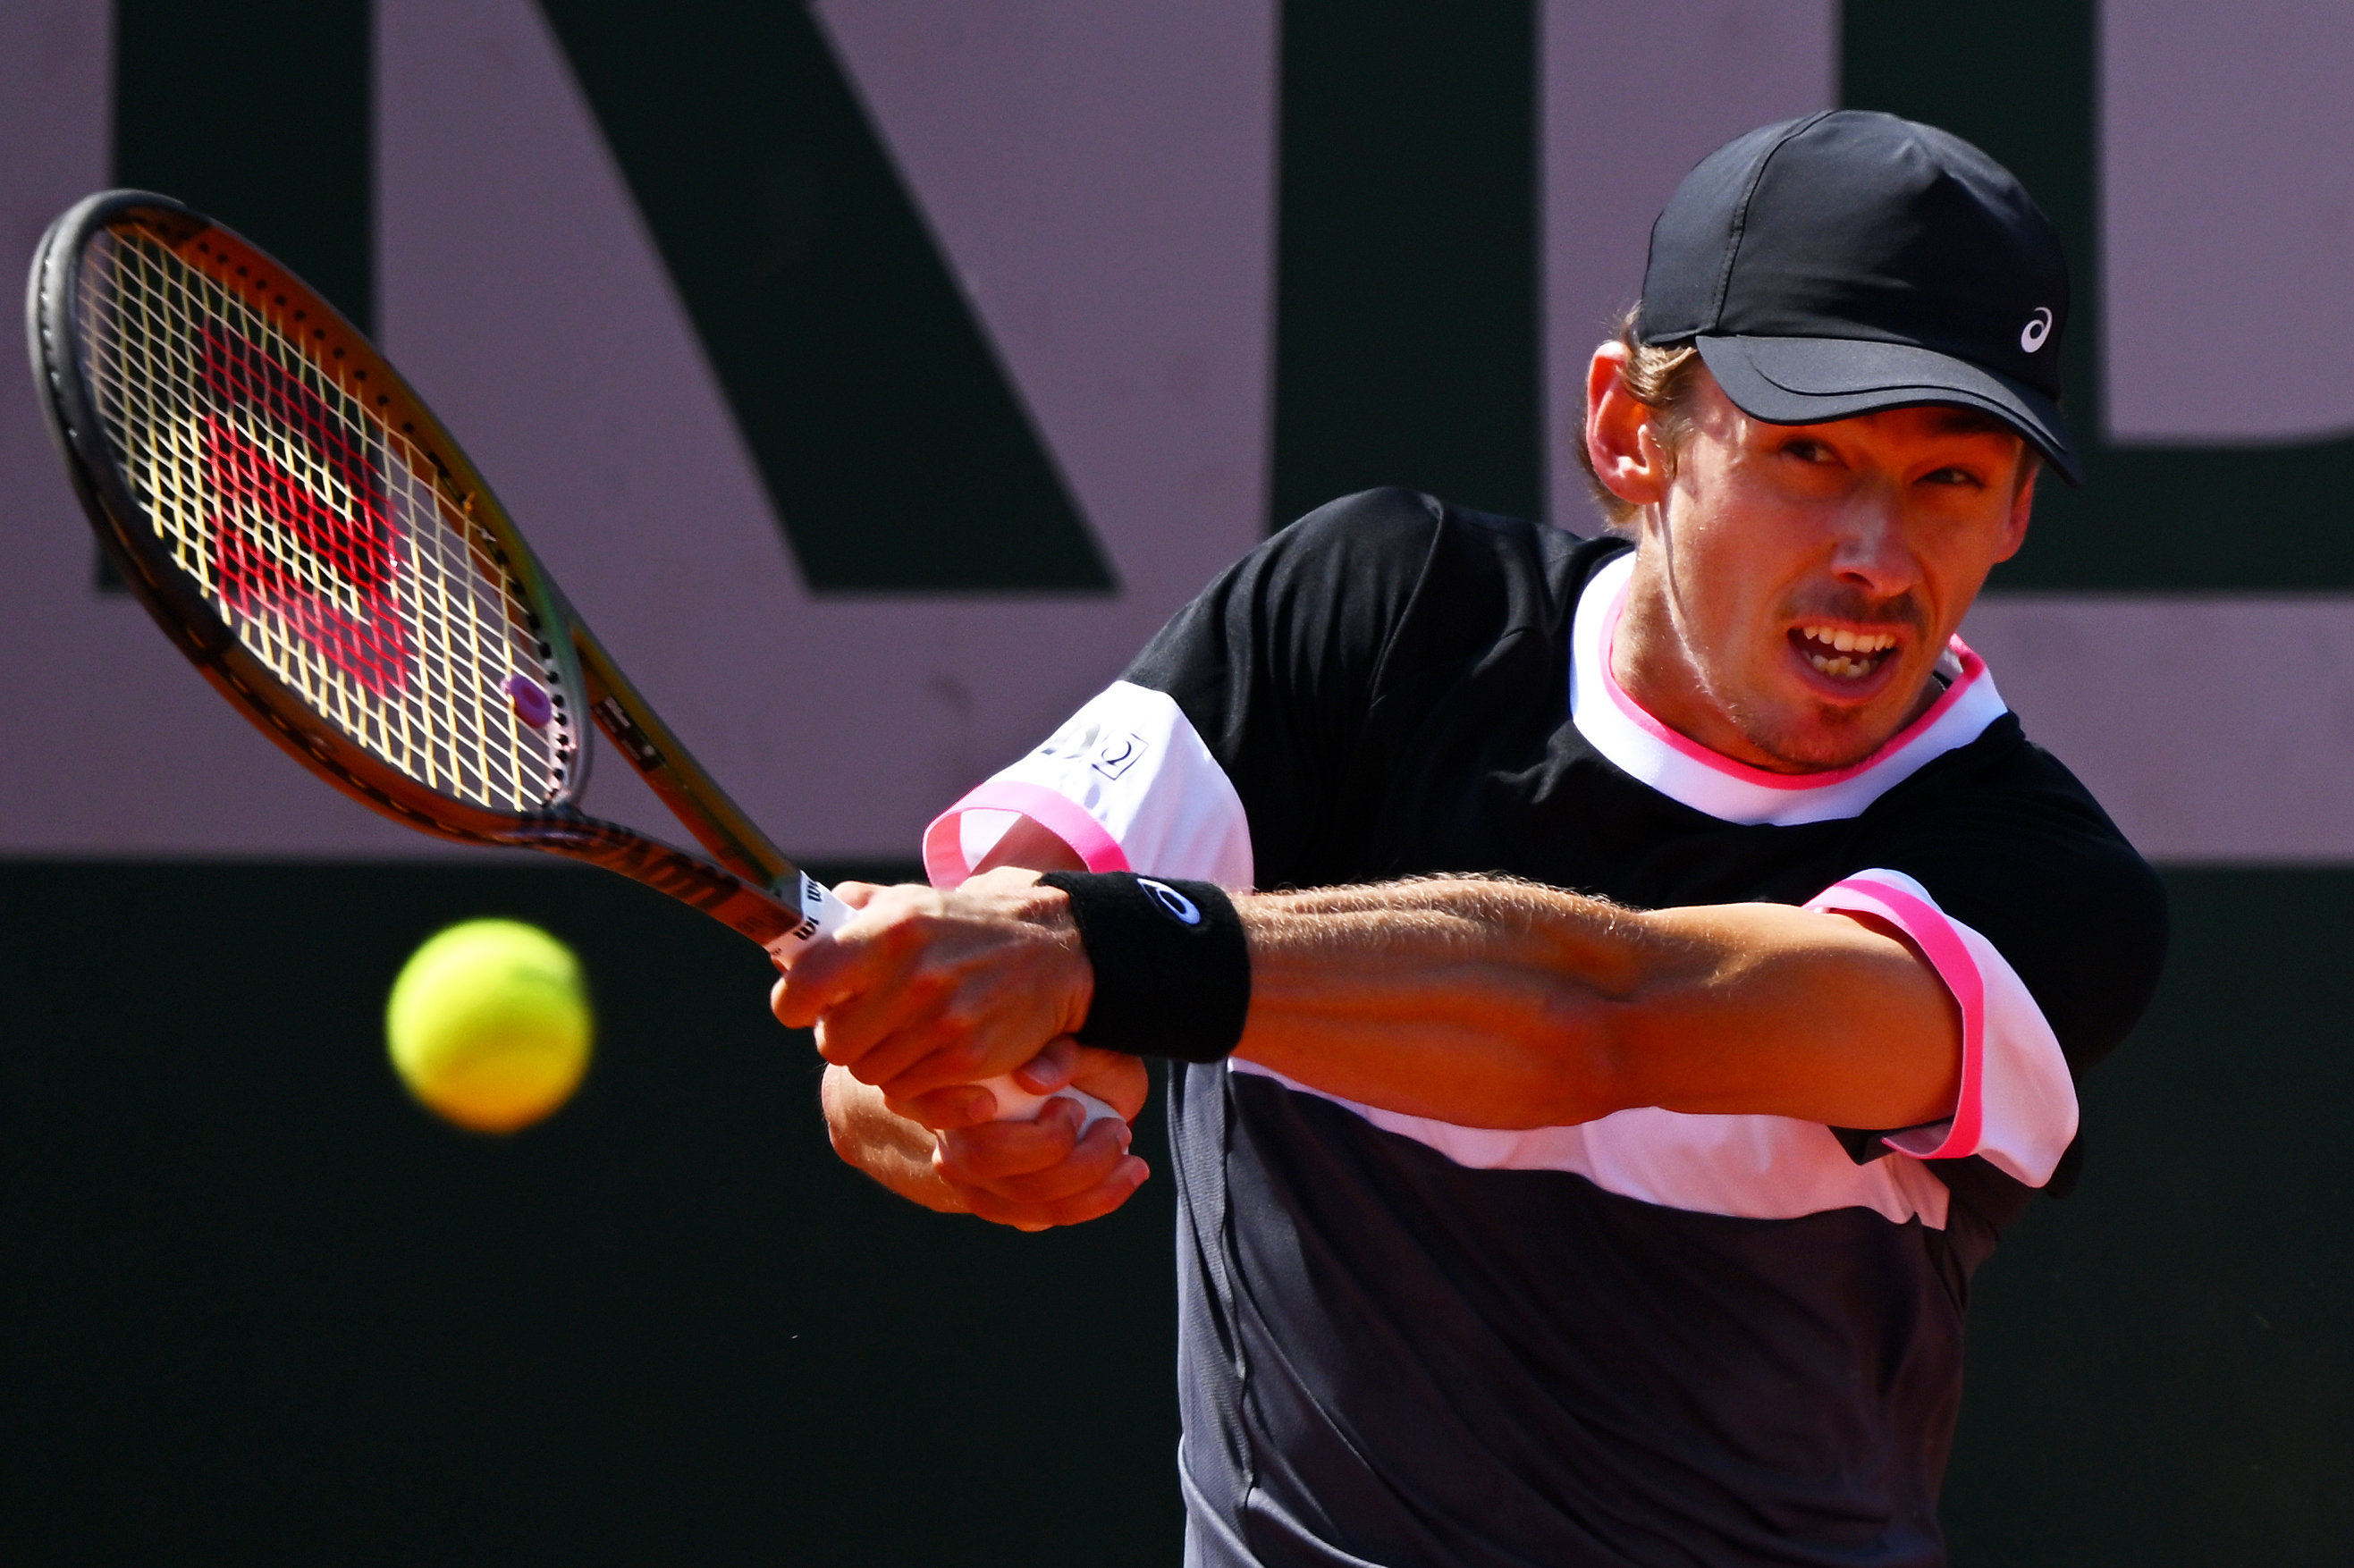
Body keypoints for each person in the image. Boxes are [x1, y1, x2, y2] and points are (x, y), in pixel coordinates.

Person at [775, 111, 2167, 1567]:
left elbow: (1595, 1015)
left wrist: (1095, 954)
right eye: (1805, 454)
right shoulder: (1366, 619)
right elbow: (950, 1027)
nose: (1876, 557)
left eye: (1946, 476)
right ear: (1631, 431)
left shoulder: (2045, 892)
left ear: (2012, 507)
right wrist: (970, 1102)